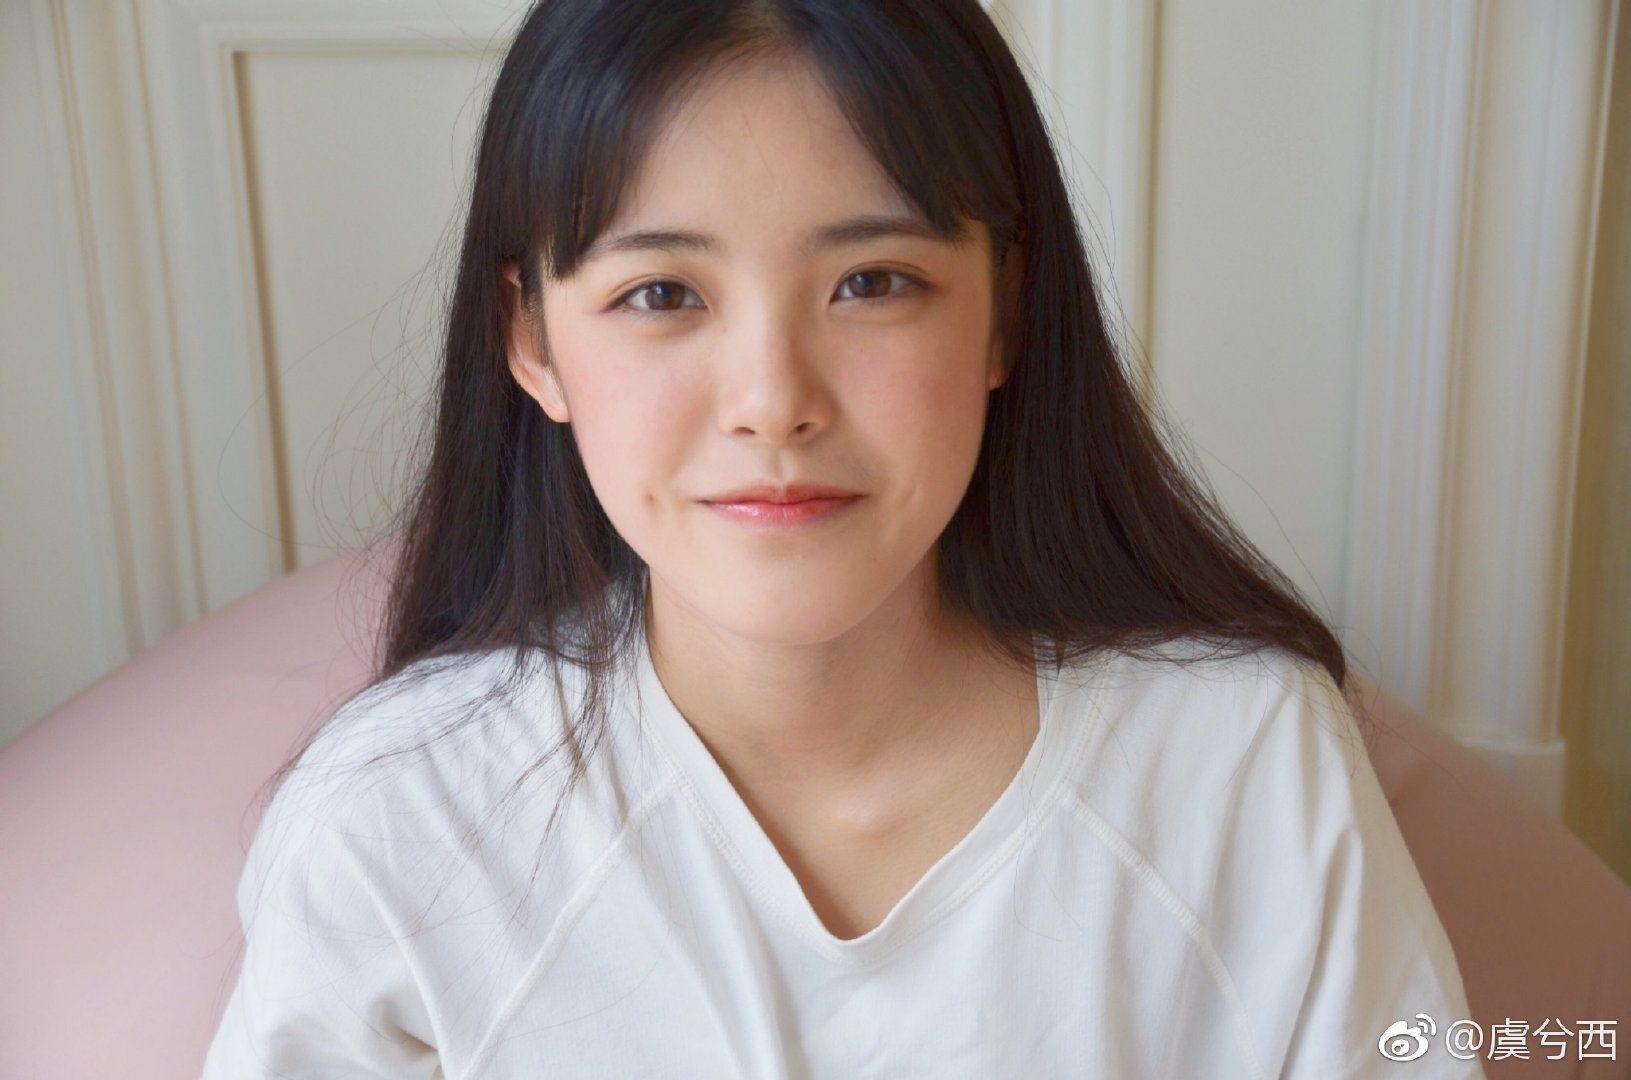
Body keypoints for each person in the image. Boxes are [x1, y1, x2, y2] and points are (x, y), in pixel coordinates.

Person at [201, 1, 1483, 1076]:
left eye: (872, 283)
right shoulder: (394, 826)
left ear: (1004, 312)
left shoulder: (1242, 764)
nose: (773, 401)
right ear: (531, 339)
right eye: (661, 294)